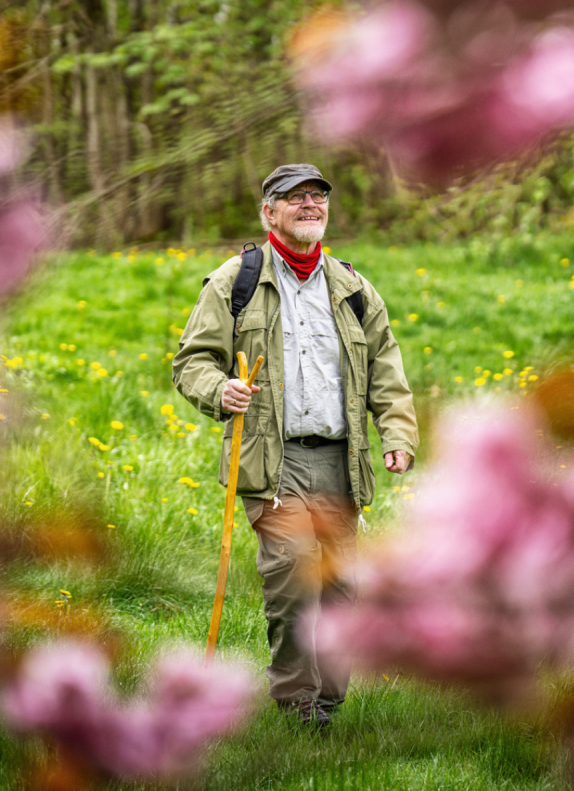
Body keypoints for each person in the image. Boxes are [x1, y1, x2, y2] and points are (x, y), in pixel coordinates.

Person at [172, 163, 418, 727]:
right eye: (295, 198)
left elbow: (387, 370)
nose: (310, 206)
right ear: (269, 212)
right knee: (291, 579)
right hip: (270, 457)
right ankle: (298, 701)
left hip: (339, 459)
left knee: (340, 586)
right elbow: (192, 363)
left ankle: (330, 699)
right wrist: (220, 389)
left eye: (318, 197)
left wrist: (398, 434)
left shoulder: (354, 288)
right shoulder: (233, 282)